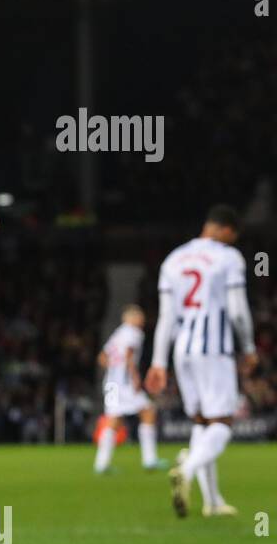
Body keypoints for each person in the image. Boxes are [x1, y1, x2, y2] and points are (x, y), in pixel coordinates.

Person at [145, 205, 257, 517]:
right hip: (213, 349)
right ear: (225, 230)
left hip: (182, 350)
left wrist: (158, 362)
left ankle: (212, 501)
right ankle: (188, 467)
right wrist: (248, 346)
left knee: (202, 422)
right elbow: (236, 309)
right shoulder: (228, 257)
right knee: (222, 423)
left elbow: (166, 317)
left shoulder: (173, 259)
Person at [92, 305, 168, 473]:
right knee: (148, 411)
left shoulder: (117, 334)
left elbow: (102, 358)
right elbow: (128, 355)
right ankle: (150, 459)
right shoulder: (134, 333)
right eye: (139, 317)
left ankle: (101, 464)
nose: (142, 320)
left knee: (112, 420)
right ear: (132, 318)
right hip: (125, 384)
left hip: (111, 383)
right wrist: (135, 378)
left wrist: (114, 368)